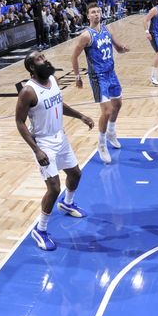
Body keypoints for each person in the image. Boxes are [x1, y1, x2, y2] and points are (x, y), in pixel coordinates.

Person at [15, 50, 94, 251]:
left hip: (60, 136)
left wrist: (80, 116)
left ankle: (68, 203)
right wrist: (36, 150)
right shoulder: (28, 91)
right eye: (39, 59)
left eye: (43, 56)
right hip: (43, 142)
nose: (45, 59)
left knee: (75, 173)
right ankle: (40, 230)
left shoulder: (52, 78)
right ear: (32, 67)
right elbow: (19, 122)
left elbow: (58, 103)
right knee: (54, 188)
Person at [71, 2, 129, 164]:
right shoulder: (86, 36)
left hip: (111, 73)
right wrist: (77, 77)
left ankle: (111, 131)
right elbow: (74, 57)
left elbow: (117, 48)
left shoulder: (107, 29)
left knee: (118, 104)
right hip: (98, 77)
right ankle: (101, 144)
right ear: (88, 16)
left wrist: (124, 48)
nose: (96, 14)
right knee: (107, 111)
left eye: (98, 11)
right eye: (93, 12)